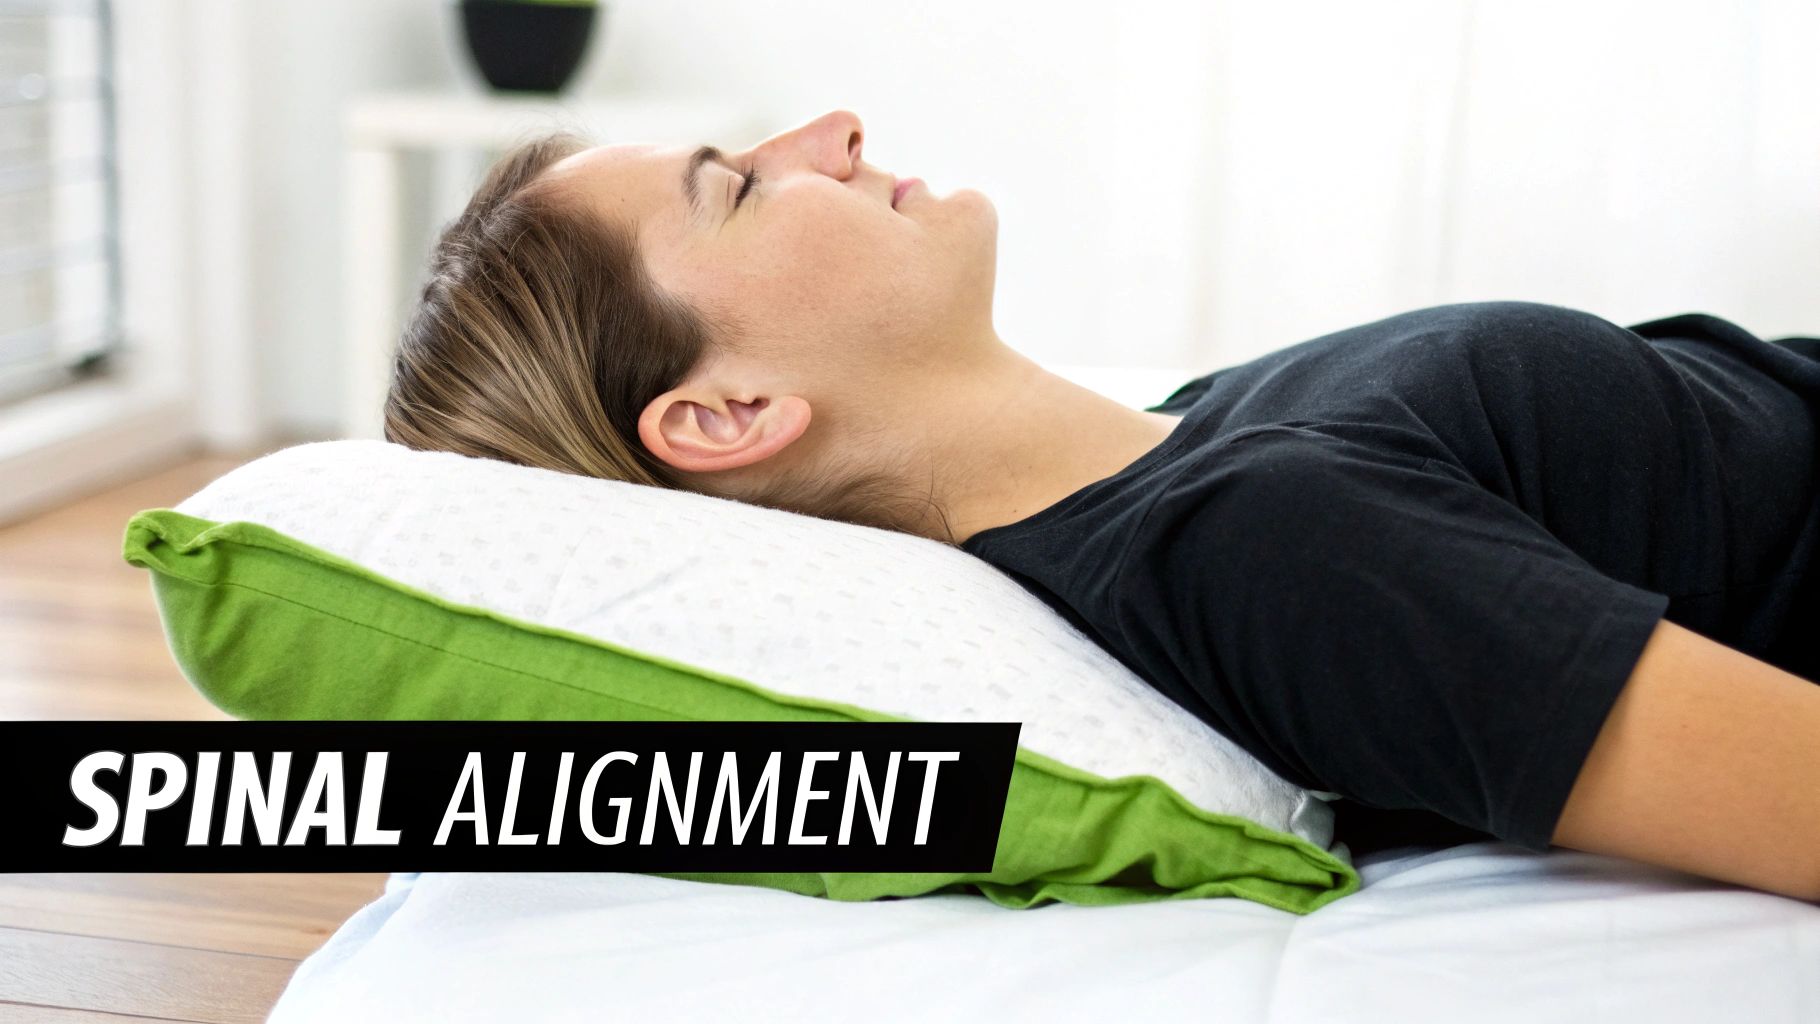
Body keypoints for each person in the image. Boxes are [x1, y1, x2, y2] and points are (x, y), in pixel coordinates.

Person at [383, 110, 1820, 902]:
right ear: (724, 415)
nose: (828, 132)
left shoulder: (1177, 437)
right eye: (741, 188)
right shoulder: (1265, 551)